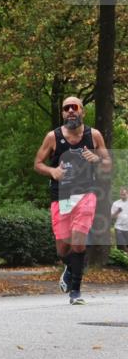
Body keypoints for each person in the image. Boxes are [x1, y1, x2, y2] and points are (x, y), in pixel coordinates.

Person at [33, 96, 112, 305]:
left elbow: (108, 164)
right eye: (66, 108)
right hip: (61, 196)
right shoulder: (53, 137)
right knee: (62, 249)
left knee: (78, 242)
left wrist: (98, 159)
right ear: (62, 113)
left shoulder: (93, 135)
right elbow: (38, 163)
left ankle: (75, 291)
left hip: (86, 194)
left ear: (82, 112)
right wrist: (53, 171)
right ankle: (70, 267)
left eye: (74, 107)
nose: (70, 111)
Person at [112, 187, 128, 252]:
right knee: (121, 247)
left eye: (124, 194)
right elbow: (112, 217)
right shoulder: (116, 203)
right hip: (119, 227)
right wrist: (117, 211)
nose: (122, 196)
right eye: (121, 194)